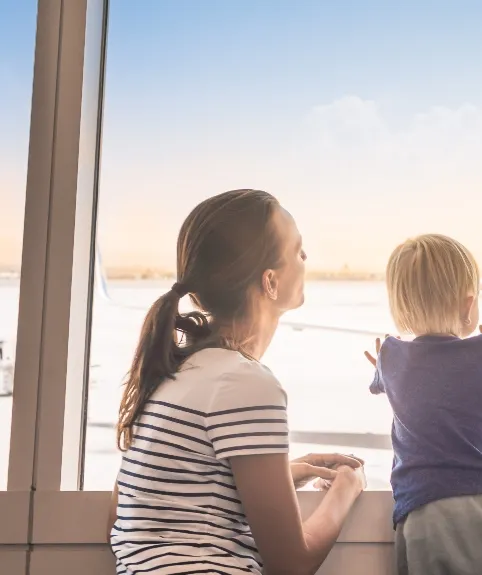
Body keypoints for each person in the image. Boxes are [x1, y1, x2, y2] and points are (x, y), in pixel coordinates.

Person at [107, 189, 366, 575]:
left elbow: (135, 507)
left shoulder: (175, 373)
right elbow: (292, 562)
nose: (307, 258)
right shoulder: (245, 385)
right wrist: (348, 487)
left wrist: (287, 471)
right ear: (270, 282)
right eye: (298, 250)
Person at [364, 233, 482, 575]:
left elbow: (378, 386)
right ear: (468, 306)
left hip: (422, 506)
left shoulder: (390, 355)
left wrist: (381, 366)